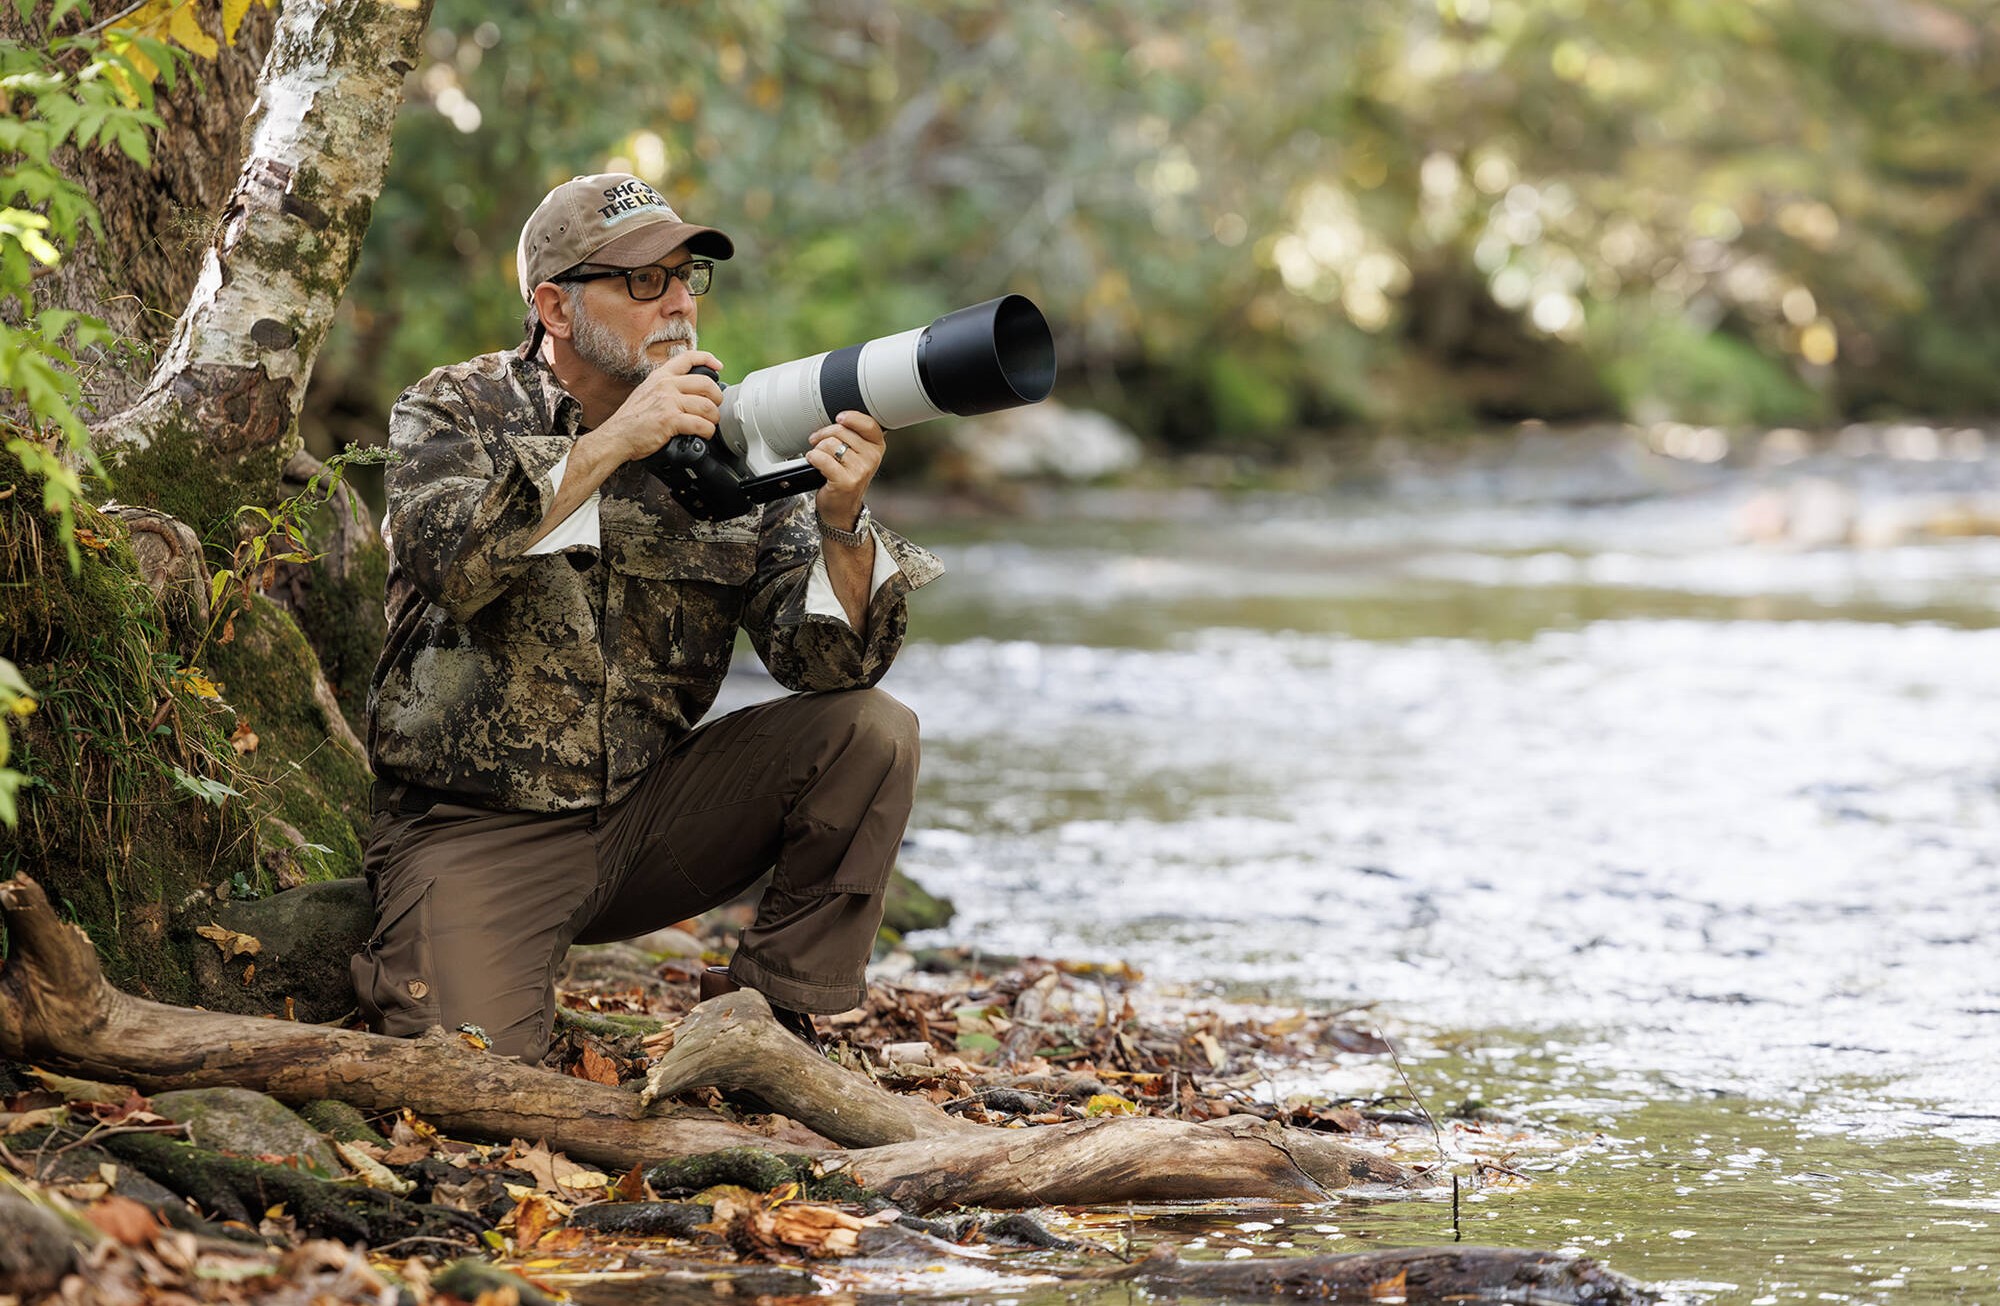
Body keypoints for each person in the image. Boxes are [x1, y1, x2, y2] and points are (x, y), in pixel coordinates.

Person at [353, 173, 942, 1062]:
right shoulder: (455, 409)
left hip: (649, 820)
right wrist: (618, 439)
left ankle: (769, 1019)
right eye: (642, 281)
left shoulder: (728, 440)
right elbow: (458, 567)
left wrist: (843, 522)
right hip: (476, 831)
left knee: (872, 731)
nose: (677, 303)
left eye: (685, 277)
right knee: (477, 1085)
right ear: (554, 307)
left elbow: (827, 667)